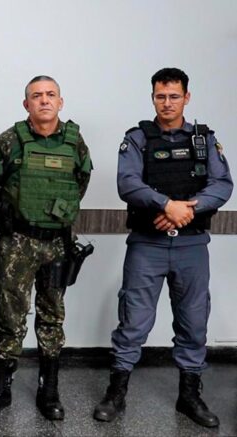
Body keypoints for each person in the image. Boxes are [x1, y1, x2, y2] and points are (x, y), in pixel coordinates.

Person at [93, 68, 232, 428]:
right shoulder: (137, 138)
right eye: (160, 96)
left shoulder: (204, 139)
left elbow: (222, 185)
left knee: (193, 322)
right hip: (147, 245)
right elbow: (127, 183)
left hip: (191, 245)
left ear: (187, 97)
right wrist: (166, 205)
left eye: (174, 96)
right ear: (153, 97)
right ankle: (116, 393)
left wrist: (186, 210)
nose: (167, 103)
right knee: (133, 321)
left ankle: (190, 396)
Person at [0, 76, 92, 420]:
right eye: (36, 96)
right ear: (26, 104)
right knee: (10, 314)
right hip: (18, 242)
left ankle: (49, 390)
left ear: (60, 101)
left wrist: (54, 212)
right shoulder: (8, 141)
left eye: (50, 95)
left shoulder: (75, 142)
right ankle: (1, 388)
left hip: (58, 242)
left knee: (52, 316)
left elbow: (80, 182)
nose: (44, 100)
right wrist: (15, 212)